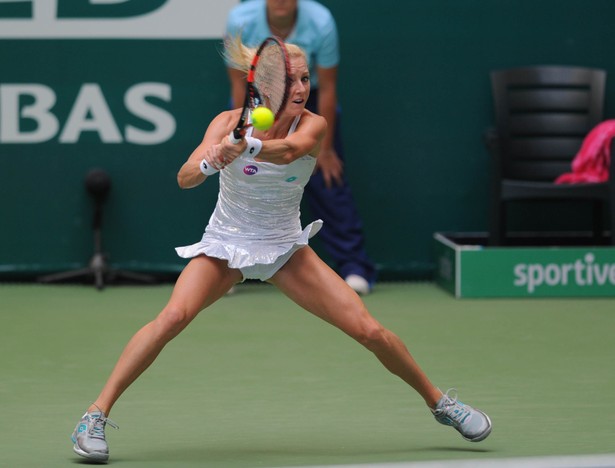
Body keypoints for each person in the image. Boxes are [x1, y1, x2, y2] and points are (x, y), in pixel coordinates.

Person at [70, 39, 492, 463]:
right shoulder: (226, 123)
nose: (301, 88)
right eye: (291, 79)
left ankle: (440, 404)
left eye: (306, 78)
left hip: (284, 249)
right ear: (266, 84)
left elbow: (289, 151)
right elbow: (184, 178)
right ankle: (93, 416)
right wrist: (211, 159)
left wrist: (247, 147)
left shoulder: (314, 126)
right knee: (172, 318)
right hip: (226, 244)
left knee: (370, 330)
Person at [225, 0, 375, 295]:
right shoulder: (240, 19)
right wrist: (241, 128)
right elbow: (239, 86)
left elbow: (328, 86)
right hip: (259, 101)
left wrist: (327, 149)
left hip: (306, 97)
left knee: (327, 175)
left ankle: (353, 265)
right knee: (238, 177)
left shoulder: (321, 21)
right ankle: (226, 263)